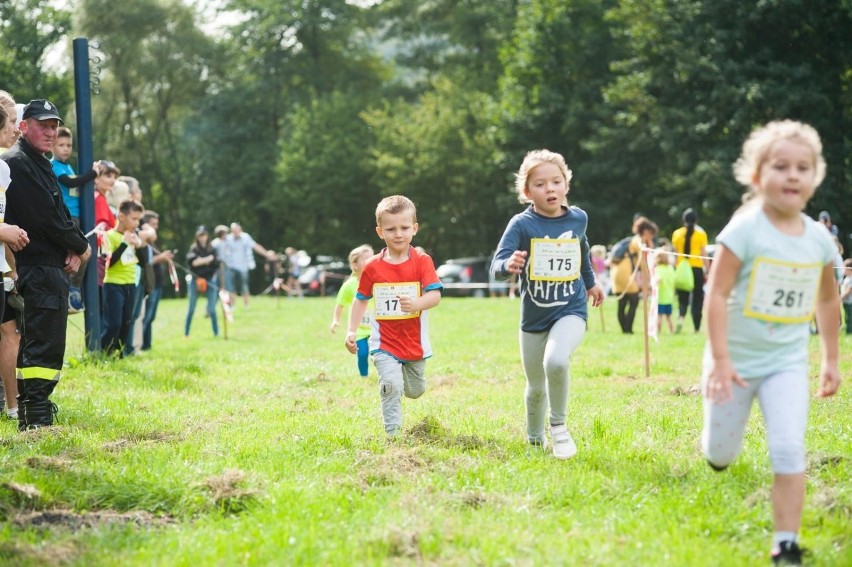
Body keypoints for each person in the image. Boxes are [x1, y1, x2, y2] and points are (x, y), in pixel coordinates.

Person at [702, 120, 840, 565]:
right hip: (734, 363)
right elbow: (716, 294)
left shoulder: (819, 240)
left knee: (788, 446)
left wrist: (830, 359)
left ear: (814, 179)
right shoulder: (745, 230)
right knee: (721, 453)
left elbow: (826, 298)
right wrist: (720, 361)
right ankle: (715, 448)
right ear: (758, 177)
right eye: (781, 166)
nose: (793, 175)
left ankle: (785, 543)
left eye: (804, 167)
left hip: (785, 363)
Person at [491, 150, 604, 459]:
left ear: (566, 184)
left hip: (571, 308)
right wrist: (507, 265)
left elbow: (581, 249)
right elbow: (496, 266)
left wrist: (591, 282)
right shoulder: (521, 224)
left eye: (556, 181)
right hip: (534, 317)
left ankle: (559, 427)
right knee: (536, 385)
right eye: (540, 184)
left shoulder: (578, 217)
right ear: (527, 191)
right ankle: (534, 438)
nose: (550, 189)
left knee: (556, 361)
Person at [3, 99, 89, 430]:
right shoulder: (20, 163)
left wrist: (71, 248)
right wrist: (80, 247)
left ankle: (35, 409)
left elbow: (61, 214)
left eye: (54, 125)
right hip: (37, 268)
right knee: (42, 343)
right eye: (43, 125)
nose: (51, 132)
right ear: (24, 126)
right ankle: (35, 415)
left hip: (47, 264)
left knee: (46, 341)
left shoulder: (38, 163)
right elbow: (47, 218)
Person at [344, 195, 443, 436]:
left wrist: (417, 303)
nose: (398, 234)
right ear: (380, 232)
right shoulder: (372, 266)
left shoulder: (422, 261)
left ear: (414, 229)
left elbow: (435, 296)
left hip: (414, 343)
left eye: (404, 228)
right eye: (391, 229)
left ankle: (407, 382)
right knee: (390, 385)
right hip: (384, 343)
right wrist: (351, 331)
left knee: (415, 390)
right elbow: (360, 299)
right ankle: (393, 435)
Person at [50, 126, 104, 313]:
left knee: (84, 253)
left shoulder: (68, 166)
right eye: (61, 145)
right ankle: (71, 290)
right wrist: (93, 174)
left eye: (69, 145)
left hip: (79, 217)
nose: (65, 149)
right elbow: (70, 182)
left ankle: (74, 289)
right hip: (67, 217)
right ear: (52, 146)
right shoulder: (54, 166)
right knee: (80, 252)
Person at [0, 96, 31, 420]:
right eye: (10, 121)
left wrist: (12, 268)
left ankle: (13, 406)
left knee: (11, 332)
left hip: (2, 271)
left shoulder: (4, 170)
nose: (16, 129)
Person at [101, 199, 144, 355]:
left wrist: (139, 246)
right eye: (134, 218)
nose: (136, 223)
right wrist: (125, 243)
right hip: (113, 284)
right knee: (114, 323)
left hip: (131, 284)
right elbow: (109, 263)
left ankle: (120, 355)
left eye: (138, 219)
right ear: (121, 216)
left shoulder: (134, 237)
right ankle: (105, 352)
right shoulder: (109, 236)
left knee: (127, 322)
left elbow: (144, 263)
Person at [330, 244, 374, 377]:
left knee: (378, 353)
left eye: (372, 258)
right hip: (359, 328)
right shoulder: (349, 285)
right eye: (365, 259)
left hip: (376, 326)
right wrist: (335, 320)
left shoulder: (377, 281)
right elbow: (340, 304)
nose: (370, 262)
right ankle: (364, 376)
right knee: (362, 353)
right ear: (355, 265)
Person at [608, 216, 657, 334]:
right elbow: (643, 261)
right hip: (625, 274)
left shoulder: (632, 240)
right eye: (651, 234)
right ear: (646, 232)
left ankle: (625, 329)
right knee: (634, 300)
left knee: (622, 302)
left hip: (616, 272)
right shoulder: (638, 241)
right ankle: (628, 329)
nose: (652, 238)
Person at [138, 212, 173, 351]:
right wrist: (161, 258)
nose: (155, 228)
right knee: (146, 316)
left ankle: (147, 344)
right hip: (150, 284)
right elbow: (147, 261)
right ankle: (140, 345)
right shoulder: (144, 242)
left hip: (158, 282)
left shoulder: (153, 242)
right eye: (153, 224)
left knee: (151, 317)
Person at [672, 207, 709, 333]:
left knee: (682, 299)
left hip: (682, 269)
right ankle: (696, 328)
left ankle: (680, 319)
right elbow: (703, 254)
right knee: (697, 300)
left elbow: (676, 254)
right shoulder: (701, 234)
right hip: (696, 269)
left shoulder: (677, 234)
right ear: (696, 220)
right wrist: (708, 270)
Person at [221, 222, 275, 308]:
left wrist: (266, 254)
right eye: (234, 230)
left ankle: (246, 305)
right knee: (232, 287)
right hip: (231, 266)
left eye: (237, 230)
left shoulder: (245, 237)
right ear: (232, 231)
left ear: (240, 230)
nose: (236, 232)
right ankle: (232, 305)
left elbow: (255, 246)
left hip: (243, 267)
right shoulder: (228, 239)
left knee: (244, 287)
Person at [185, 225, 219, 337]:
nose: (202, 237)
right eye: (200, 235)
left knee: (212, 309)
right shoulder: (193, 248)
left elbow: (215, 262)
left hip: (210, 280)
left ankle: (216, 333)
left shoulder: (212, 248)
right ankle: (186, 333)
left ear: (207, 235)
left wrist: (200, 260)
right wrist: (207, 260)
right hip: (196, 280)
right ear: (197, 236)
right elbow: (193, 263)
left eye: (204, 235)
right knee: (191, 308)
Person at [654, 248, 675, 334]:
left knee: (659, 316)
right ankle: (672, 331)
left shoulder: (658, 269)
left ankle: (658, 331)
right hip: (669, 297)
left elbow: (658, 280)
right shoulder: (670, 269)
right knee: (669, 317)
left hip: (661, 298)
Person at [840, 258, 852, 335]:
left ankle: (849, 331)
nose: (843, 270)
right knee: (847, 317)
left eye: (844, 268)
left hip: (850, 302)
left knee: (850, 317)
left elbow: (849, 291)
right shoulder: (847, 278)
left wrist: (840, 298)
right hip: (846, 302)